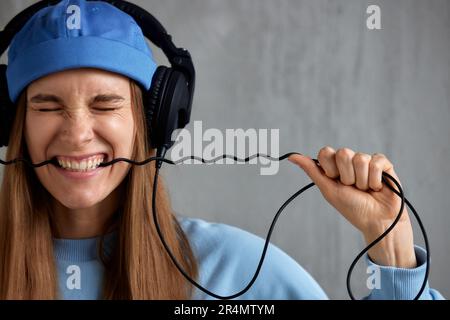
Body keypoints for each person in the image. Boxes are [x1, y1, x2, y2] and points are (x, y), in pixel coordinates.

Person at [0, 0, 444, 300]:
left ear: (153, 121)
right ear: (14, 126)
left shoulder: (236, 270)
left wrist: (392, 252)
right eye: (47, 105)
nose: (77, 135)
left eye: (106, 104)